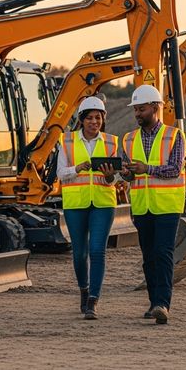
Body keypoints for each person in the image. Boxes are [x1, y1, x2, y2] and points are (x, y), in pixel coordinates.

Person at [121, 85, 186, 325]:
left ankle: (163, 304)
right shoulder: (128, 139)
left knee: (163, 252)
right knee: (148, 256)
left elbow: (174, 170)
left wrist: (146, 168)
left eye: (142, 109)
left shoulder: (174, 135)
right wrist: (124, 173)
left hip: (168, 205)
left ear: (156, 107)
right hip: (142, 206)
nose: (138, 113)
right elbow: (129, 176)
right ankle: (153, 304)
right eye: (136, 109)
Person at [57, 96, 119, 320]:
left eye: (98, 118)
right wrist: (78, 168)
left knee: (97, 250)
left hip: (103, 203)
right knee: (80, 253)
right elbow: (61, 173)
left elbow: (115, 180)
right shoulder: (66, 141)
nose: (95, 122)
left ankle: (93, 300)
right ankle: (83, 289)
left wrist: (111, 176)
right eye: (90, 118)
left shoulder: (112, 142)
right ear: (82, 120)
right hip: (76, 203)